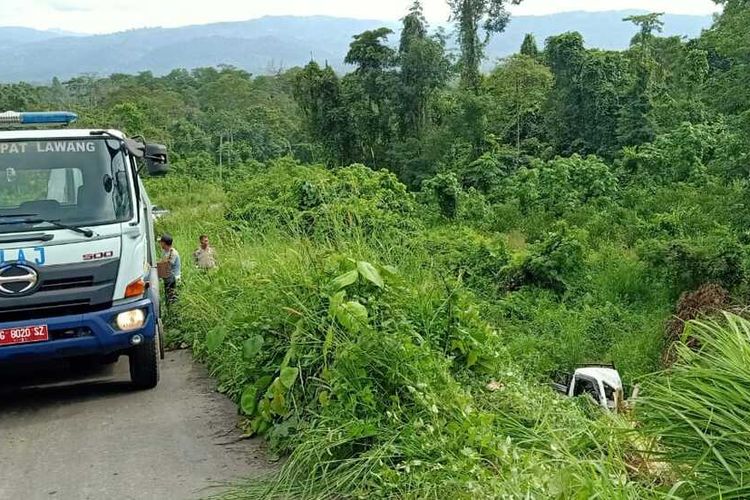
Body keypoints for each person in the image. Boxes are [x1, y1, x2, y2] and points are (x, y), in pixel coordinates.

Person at [159, 234, 181, 305]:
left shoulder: (173, 253)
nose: (160, 244)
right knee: (168, 298)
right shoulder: (165, 252)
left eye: (161, 242)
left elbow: (166, 266)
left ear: (164, 243)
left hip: (173, 279)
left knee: (172, 299)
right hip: (167, 278)